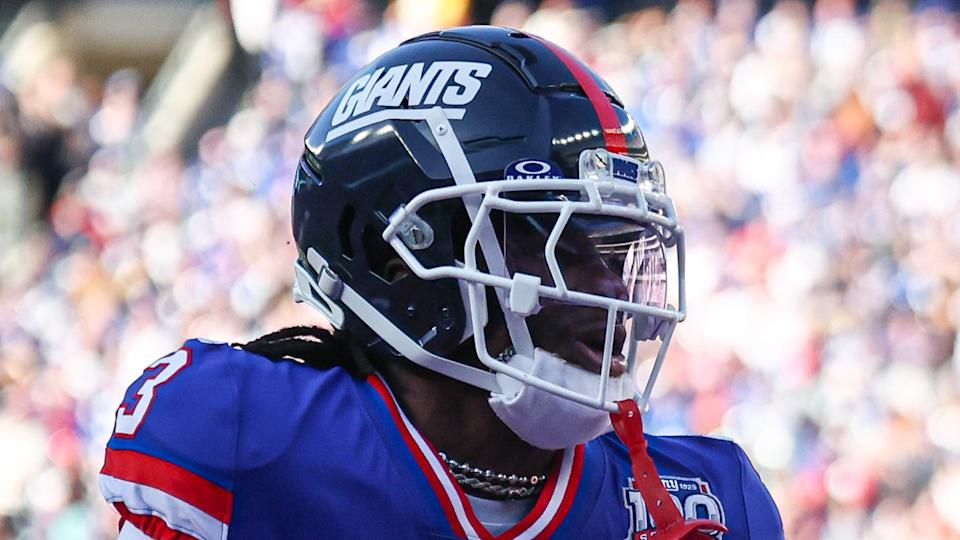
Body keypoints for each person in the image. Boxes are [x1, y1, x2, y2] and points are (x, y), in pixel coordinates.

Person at [98, 26, 784, 539]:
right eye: (558, 244)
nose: (609, 289)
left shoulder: (709, 500)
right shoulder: (245, 432)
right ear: (394, 262)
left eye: (616, 247)